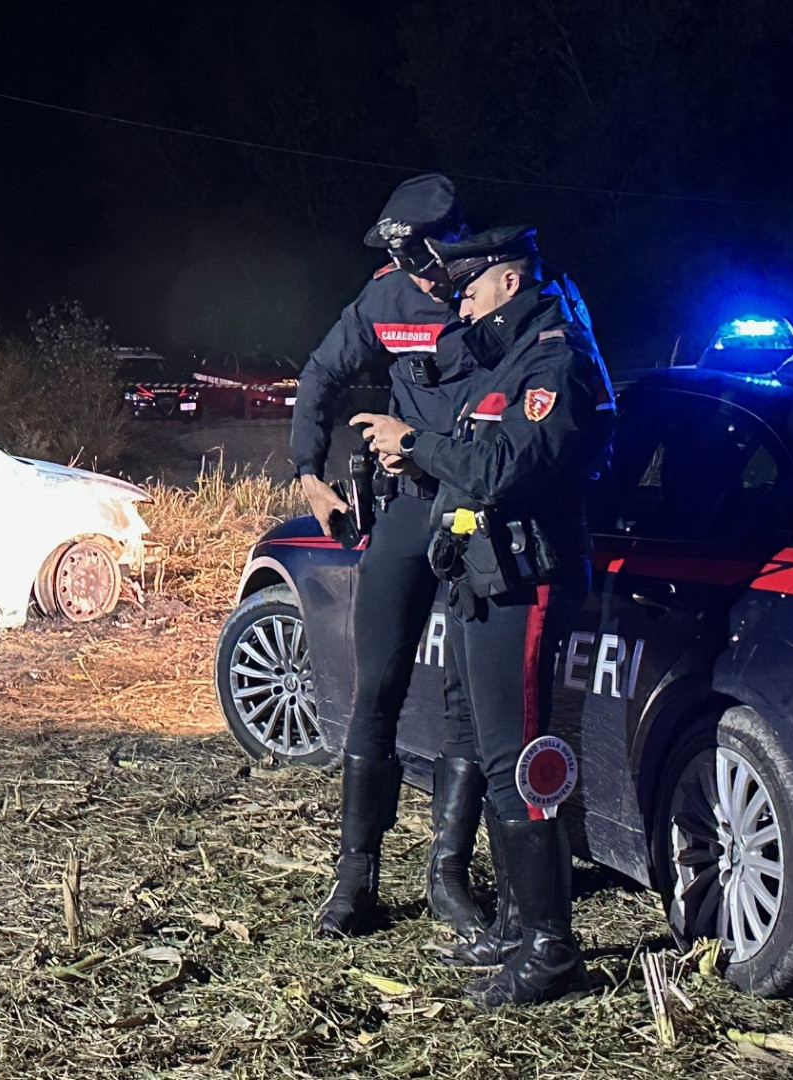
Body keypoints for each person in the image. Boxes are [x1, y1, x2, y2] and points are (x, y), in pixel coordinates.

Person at [351, 225, 615, 1006]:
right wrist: (420, 451)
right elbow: (474, 455)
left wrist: (417, 442)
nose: (460, 302)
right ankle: (514, 925)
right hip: (483, 574)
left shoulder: (556, 360)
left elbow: (503, 467)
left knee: (517, 766)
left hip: (525, 581)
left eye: (469, 287)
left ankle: (552, 954)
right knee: (477, 742)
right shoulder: (510, 359)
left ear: (508, 280)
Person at [289, 173, 493, 941]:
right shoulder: (386, 297)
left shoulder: (505, 297)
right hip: (409, 507)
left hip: (479, 507)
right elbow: (319, 375)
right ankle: (355, 881)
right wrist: (309, 475)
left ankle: (448, 874)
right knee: (378, 683)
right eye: (407, 263)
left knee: (470, 698)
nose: (422, 277)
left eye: (429, 260)